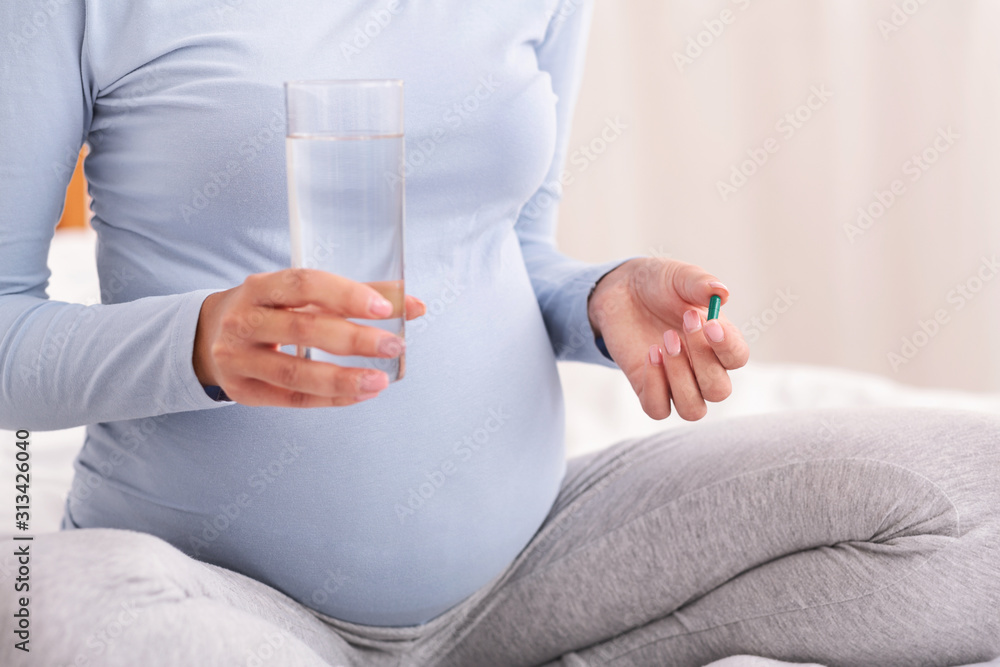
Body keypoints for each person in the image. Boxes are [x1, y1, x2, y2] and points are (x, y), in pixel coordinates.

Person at [1, 1, 997, 665]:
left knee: (977, 487)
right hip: (213, 593)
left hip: (524, 577)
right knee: (46, 603)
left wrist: (597, 299)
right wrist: (198, 341)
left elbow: (511, 248)